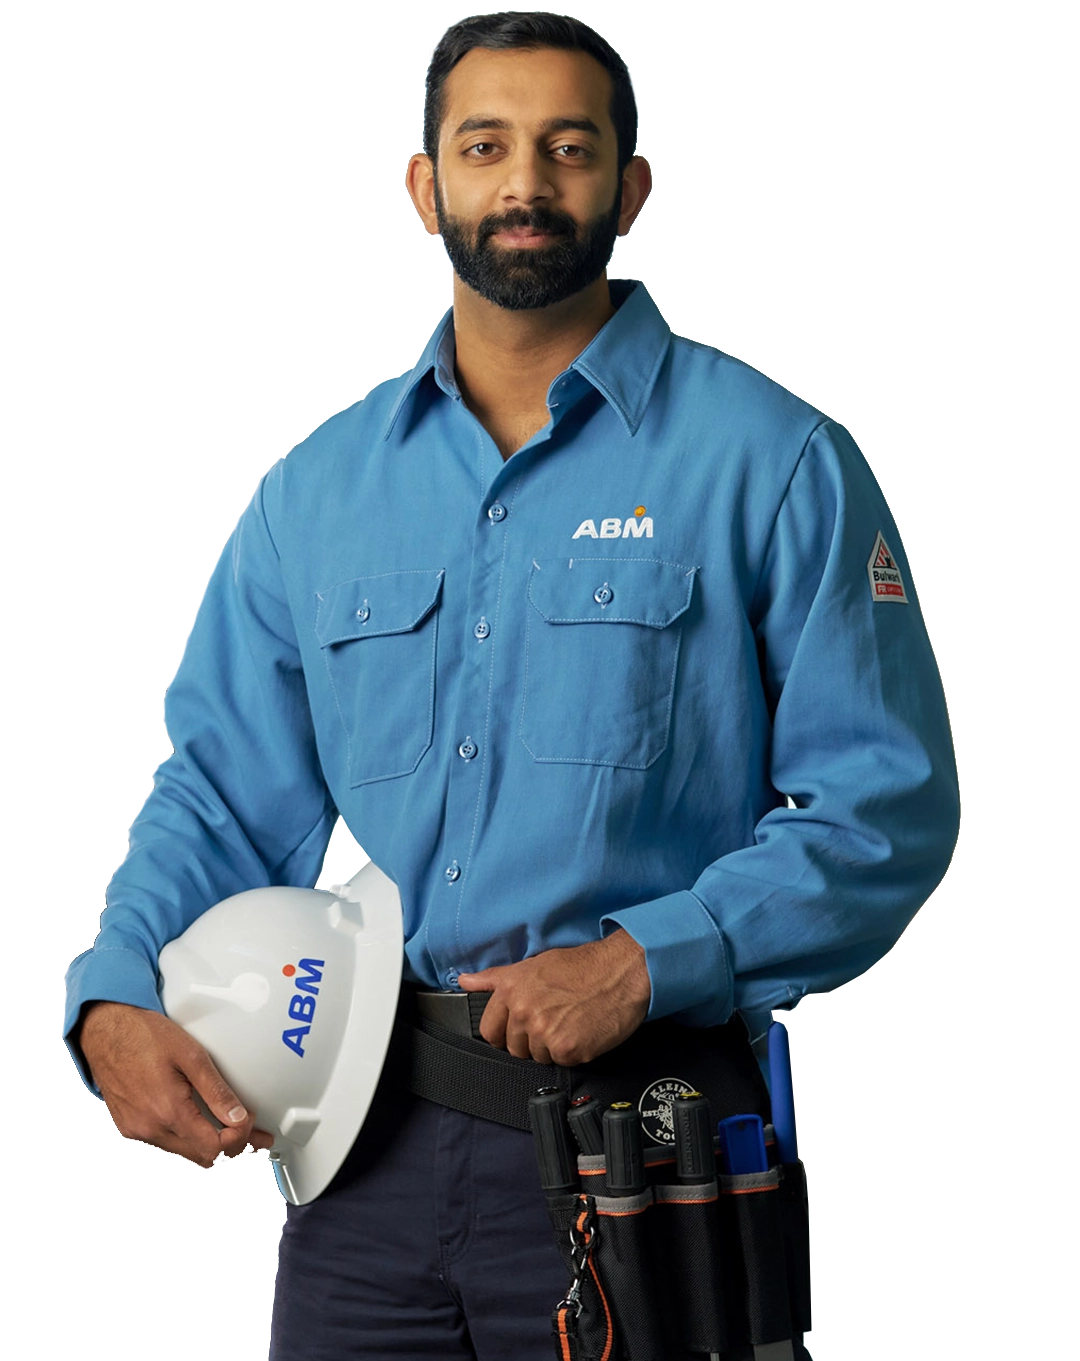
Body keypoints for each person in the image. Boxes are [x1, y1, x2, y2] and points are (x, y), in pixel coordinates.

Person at [64, 12, 959, 1360]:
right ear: (423, 184)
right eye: (484, 148)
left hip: (649, 1147)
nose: (525, 185)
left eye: (568, 149)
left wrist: (647, 958)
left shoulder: (772, 463)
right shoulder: (318, 494)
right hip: (358, 1156)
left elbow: (882, 811)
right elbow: (224, 797)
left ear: (633, 186)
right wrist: (116, 993)